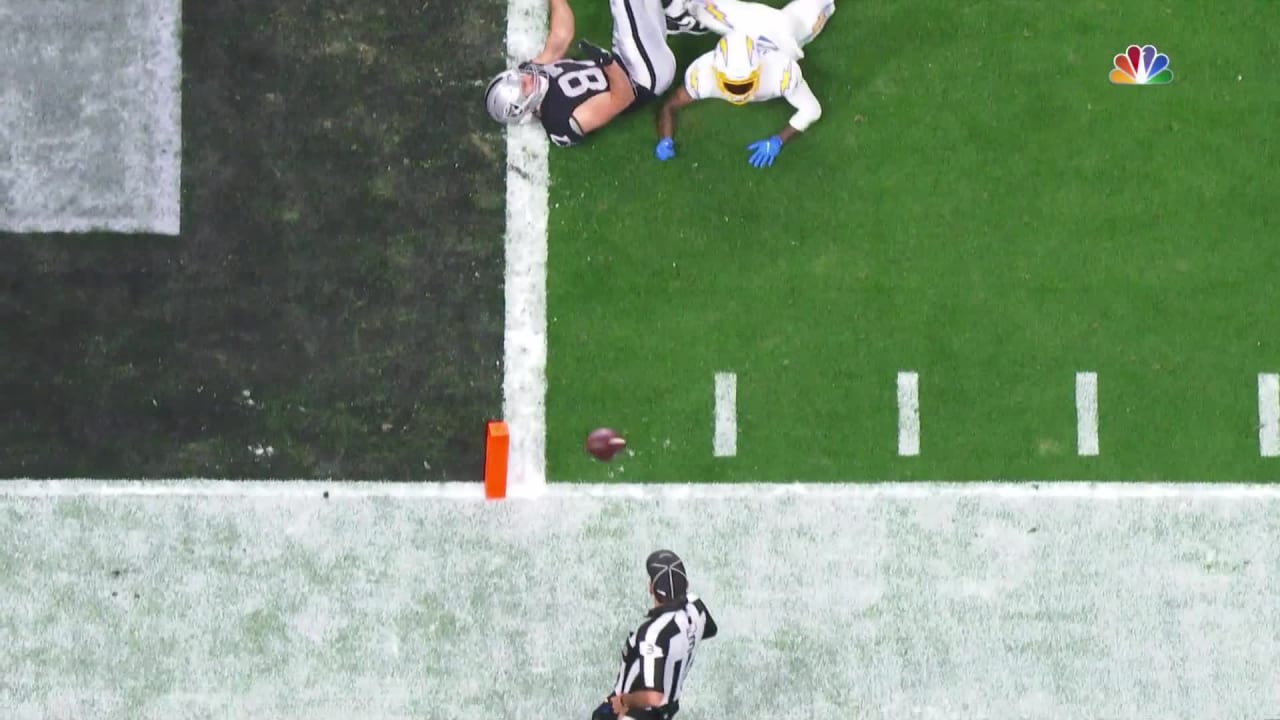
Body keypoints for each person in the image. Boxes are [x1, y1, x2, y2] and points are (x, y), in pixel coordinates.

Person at [653, 0, 836, 167]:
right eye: (732, 84)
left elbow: (812, 109)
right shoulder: (704, 76)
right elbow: (669, 107)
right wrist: (665, 139)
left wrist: (778, 140)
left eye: (744, 84)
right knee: (695, 6)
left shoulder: (781, 74)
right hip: (741, 21)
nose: (738, 92)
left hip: (781, 28)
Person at [484, 0, 690, 147]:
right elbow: (623, 98)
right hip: (643, 78)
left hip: (630, 60)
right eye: (524, 86)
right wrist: (607, 63)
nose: (527, 77)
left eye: (520, 78)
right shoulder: (562, 119)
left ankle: (677, 15)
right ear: (523, 107)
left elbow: (561, 37)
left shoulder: (532, 75)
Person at [590, 550, 718, 720]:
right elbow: (709, 629)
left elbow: (654, 697)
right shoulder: (696, 606)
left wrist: (623, 701)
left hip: (639, 713)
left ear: (651, 588)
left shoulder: (652, 635)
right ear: (686, 585)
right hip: (669, 705)